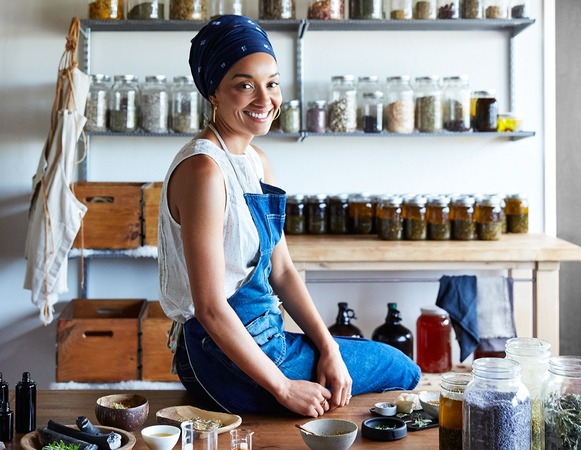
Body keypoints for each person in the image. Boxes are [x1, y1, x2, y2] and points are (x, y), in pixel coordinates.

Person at [158, 15, 421, 417]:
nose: (265, 100)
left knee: (364, 366)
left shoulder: (255, 160)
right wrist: (284, 388)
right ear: (213, 92)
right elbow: (209, 307)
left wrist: (328, 346)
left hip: (265, 338)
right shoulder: (204, 171)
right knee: (401, 368)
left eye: (272, 83)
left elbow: (281, 271)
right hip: (220, 358)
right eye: (244, 84)